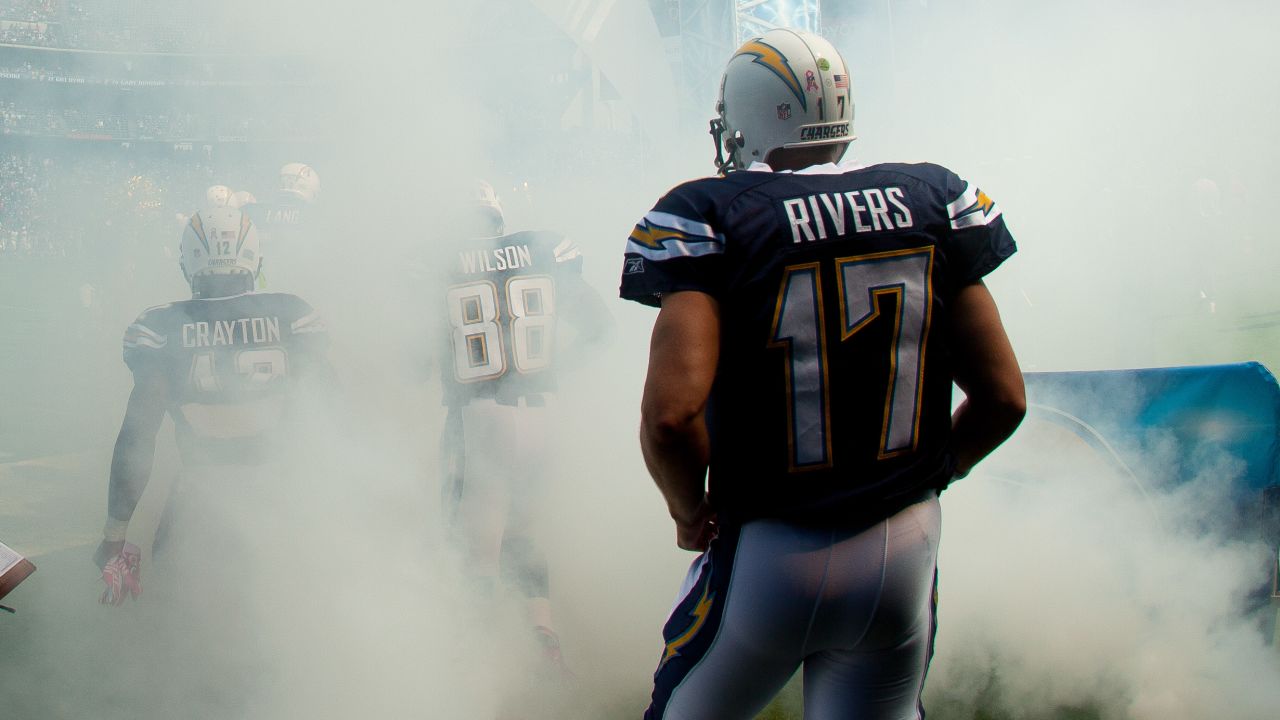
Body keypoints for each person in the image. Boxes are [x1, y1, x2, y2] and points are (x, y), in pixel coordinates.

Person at [619, 28, 1026, 719]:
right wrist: (934, 469)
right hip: (905, 546)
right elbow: (1004, 399)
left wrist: (690, 511)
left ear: (748, 116)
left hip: (773, 556)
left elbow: (671, 415)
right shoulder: (933, 199)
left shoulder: (710, 216)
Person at [94, 205, 330, 602]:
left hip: (202, 500)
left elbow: (138, 437)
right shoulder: (294, 315)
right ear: (254, 257)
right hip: (284, 495)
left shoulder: (161, 326)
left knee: (181, 620)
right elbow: (335, 419)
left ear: (188, 262)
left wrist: (114, 535)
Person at [434, 180, 612, 669]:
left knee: (473, 546)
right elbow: (600, 326)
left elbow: (415, 349)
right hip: (541, 414)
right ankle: (543, 637)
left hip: (479, 416)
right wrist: (553, 368)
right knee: (524, 533)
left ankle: (478, 668)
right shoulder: (538, 250)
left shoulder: (440, 262)